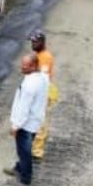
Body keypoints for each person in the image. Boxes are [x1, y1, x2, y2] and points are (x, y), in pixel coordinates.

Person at [3, 53, 49, 186]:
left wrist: (15, 126)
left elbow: (24, 109)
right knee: (25, 149)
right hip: (36, 121)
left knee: (24, 151)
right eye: (22, 64)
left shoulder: (30, 85)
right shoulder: (42, 78)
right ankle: (19, 167)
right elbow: (45, 72)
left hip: (26, 125)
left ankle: (26, 177)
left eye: (25, 65)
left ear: (33, 66)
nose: (21, 67)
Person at [29, 30, 58, 161]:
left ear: (42, 42)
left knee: (39, 121)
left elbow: (43, 78)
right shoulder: (39, 54)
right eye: (32, 41)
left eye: (35, 42)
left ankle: (36, 152)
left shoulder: (45, 57)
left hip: (42, 92)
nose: (32, 44)